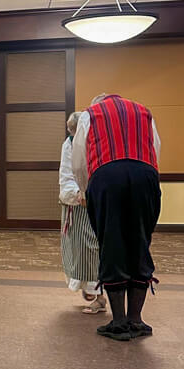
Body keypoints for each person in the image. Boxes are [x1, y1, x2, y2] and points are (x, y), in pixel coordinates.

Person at [72, 92, 161, 341]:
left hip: (106, 176)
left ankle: (119, 321)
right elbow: (155, 148)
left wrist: (86, 189)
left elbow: (79, 159)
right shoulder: (143, 110)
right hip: (145, 175)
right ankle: (136, 319)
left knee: (111, 244)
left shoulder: (90, 114)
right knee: (140, 241)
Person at [59, 112, 104, 314]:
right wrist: (76, 194)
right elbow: (67, 173)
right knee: (80, 249)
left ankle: (100, 295)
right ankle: (92, 291)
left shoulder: (97, 142)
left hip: (96, 203)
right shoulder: (69, 144)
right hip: (78, 203)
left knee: (94, 248)